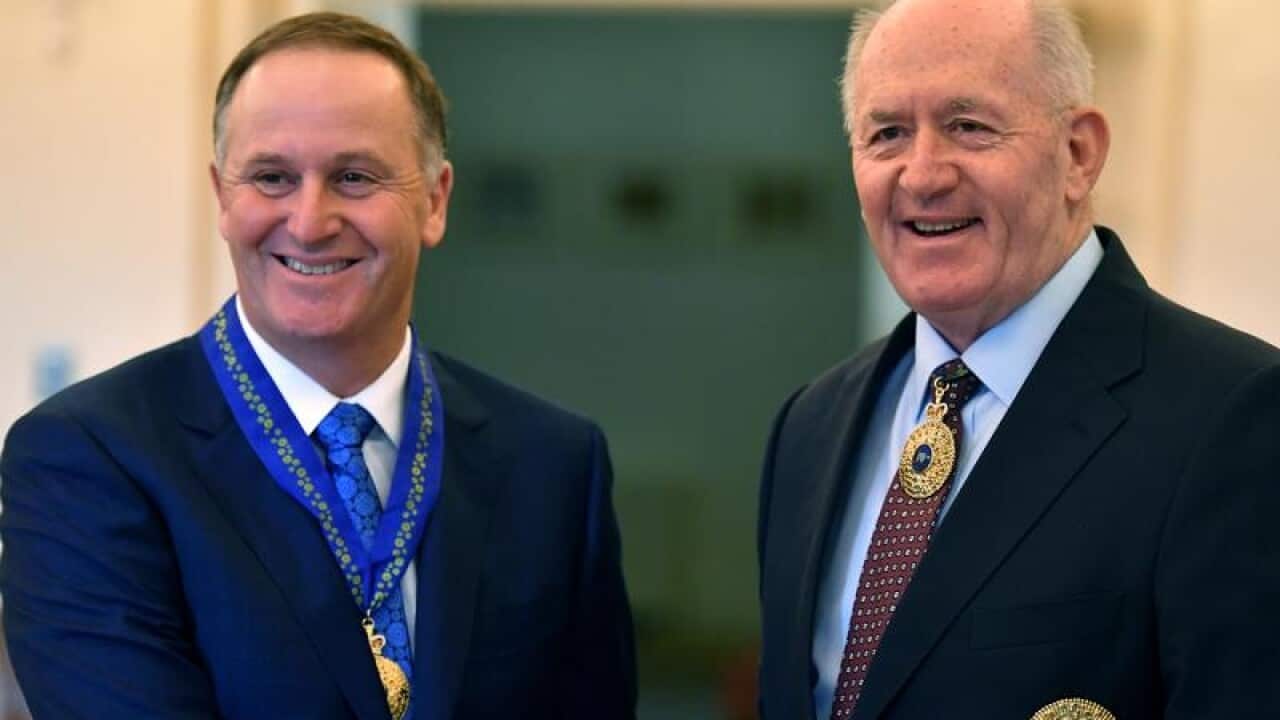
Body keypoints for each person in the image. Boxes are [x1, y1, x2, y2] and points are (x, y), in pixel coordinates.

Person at [0, 12, 635, 720]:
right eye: (272, 177)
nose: (309, 221)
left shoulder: (553, 465)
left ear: (434, 200)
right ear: (221, 197)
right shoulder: (90, 457)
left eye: (355, 177)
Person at [756, 1, 1280, 718]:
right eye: (887, 134)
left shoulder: (1234, 418)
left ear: (1078, 153)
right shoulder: (808, 429)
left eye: (968, 126)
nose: (923, 174)